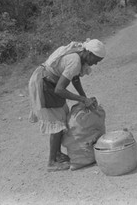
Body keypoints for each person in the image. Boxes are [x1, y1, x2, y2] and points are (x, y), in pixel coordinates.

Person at [28, 38, 107, 172]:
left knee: (62, 117)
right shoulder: (75, 61)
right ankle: (51, 162)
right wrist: (82, 99)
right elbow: (59, 90)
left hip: (49, 82)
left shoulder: (78, 57)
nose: (96, 64)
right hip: (45, 84)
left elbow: (74, 78)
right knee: (56, 123)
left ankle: (58, 155)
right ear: (89, 54)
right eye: (96, 60)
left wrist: (84, 98)